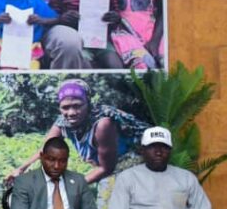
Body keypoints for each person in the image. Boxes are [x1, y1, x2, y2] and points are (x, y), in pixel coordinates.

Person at [8, 78, 148, 187]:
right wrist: (21, 169)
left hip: (133, 162)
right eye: (65, 107)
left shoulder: (103, 124)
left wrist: (70, 187)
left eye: (77, 106)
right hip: (107, 165)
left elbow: (106, 168)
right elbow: (45, 149)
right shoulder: (63, 121)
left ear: (88, 103)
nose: (71, 113)